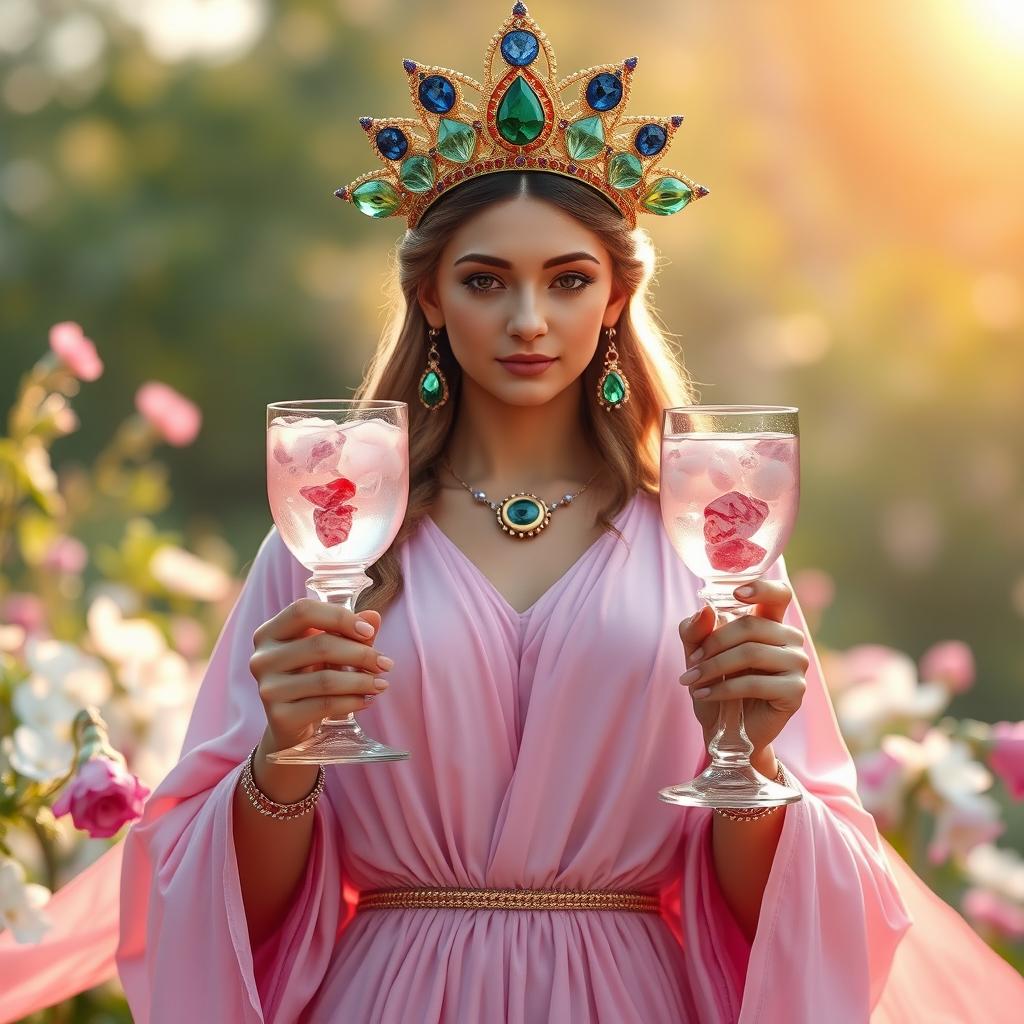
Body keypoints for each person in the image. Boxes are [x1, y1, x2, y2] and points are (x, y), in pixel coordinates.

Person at [2, 5, 1022, 1023]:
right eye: (486, 280)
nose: (528, 320)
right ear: (433, 299)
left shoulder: (707, 546)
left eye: (567, 280)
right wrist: (281, 757)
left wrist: (750, 765)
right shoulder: (332, 539)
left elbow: (805, 921)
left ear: (615, 299)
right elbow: (217, 911)